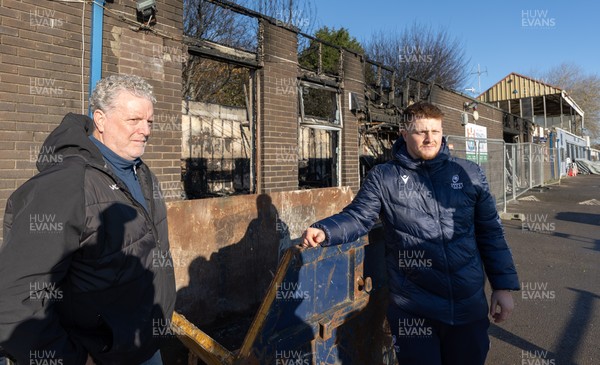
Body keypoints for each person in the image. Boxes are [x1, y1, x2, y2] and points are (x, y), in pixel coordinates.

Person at [302, 101, 519, 365]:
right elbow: (359, 217)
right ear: (404, 134)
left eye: (435, 132)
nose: (430, 139)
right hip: (414, 309)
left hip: (467, 306)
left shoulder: (469, 173)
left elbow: (491, 232)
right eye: (421, 132)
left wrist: (503, 286)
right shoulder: (384, 177)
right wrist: (326, 230)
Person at [0, 74, 175, 365]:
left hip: (142, 346)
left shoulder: (142, 174)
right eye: (134, 120)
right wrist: (72, 359)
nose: (145, 131)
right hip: (98, 355)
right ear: (101, 120)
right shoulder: (66, 185)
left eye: (150, 122)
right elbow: (14, 298)